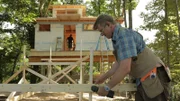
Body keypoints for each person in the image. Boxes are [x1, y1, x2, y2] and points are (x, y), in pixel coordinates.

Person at [93, 14, 171, 101]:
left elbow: (125, 68)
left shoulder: (124, 36)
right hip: (143, 80)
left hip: (153, 77)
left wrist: (107, 88)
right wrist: (103, 78)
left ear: (109, 24)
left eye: (102, 30)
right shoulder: (117, 38)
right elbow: (118, 64)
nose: (102, 34)